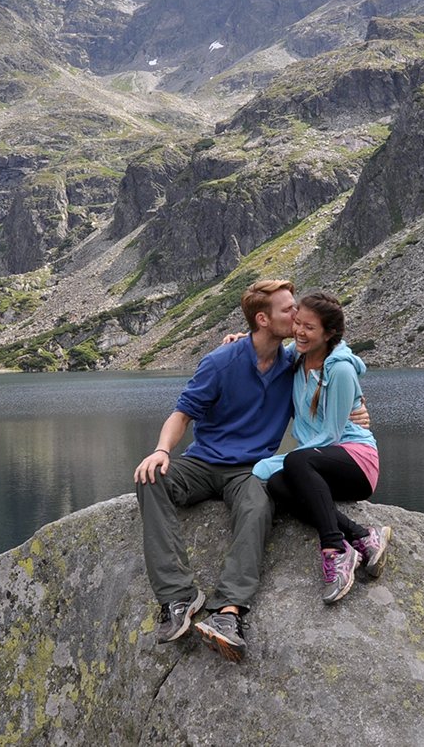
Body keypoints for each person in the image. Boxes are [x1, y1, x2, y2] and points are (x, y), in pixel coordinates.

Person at [131, 278, 299, 664]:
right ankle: (178, 597)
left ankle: (227, 614)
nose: (297, 312)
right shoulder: (221, 361)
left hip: (251, 469)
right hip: (202, 463)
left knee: (258, 508)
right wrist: (160, 451)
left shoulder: (295, 364)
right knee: (150, 477)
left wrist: (356, 411)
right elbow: (183, 413)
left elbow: (336, 367)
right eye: (288, 308)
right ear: (263, 318)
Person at [253, 290, 391, 605]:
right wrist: (238, 340)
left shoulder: (339, 370)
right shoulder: (296, 356)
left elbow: (330, 436)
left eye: (309, 327)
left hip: (357, 462)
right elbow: (260, 352)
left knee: (289, 466)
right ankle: (362, 535)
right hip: (318, 463)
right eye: (297, 323)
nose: (299, 331)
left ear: (328, 334)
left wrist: (269, 463)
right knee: (277, 485)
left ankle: (336, 549)